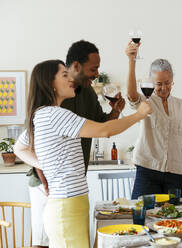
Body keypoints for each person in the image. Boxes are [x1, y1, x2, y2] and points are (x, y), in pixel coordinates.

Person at [14, 60, 151, 247]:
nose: (71, 78)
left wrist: (45, 165)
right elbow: (105, 131)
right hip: (66, 207)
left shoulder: (42, 114)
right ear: (49, 83)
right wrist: (139, 115)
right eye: (64, 75)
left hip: (69, 204)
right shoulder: (55, 115)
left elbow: (19, 148)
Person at [27, 40, 125, 248]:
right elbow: (31, 139)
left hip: (71, 188)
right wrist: (43, 171)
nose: (97, 73)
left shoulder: (88, 93)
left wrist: (115, 111)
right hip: (47, 184)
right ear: (76, 67)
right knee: (42, 243)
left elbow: (102, 127)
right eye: (94, 68)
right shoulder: (53, 98)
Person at [125, 41, 182, 199]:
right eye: (158, 84)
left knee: (178, 219)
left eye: (168, 83)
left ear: (172, 80)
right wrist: (131, 61)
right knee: (142, 218)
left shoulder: (181, 106)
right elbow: (132, 95)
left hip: (175, 173)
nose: (164, 88)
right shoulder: (146, 102)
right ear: (151, 83)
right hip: (147, 171)